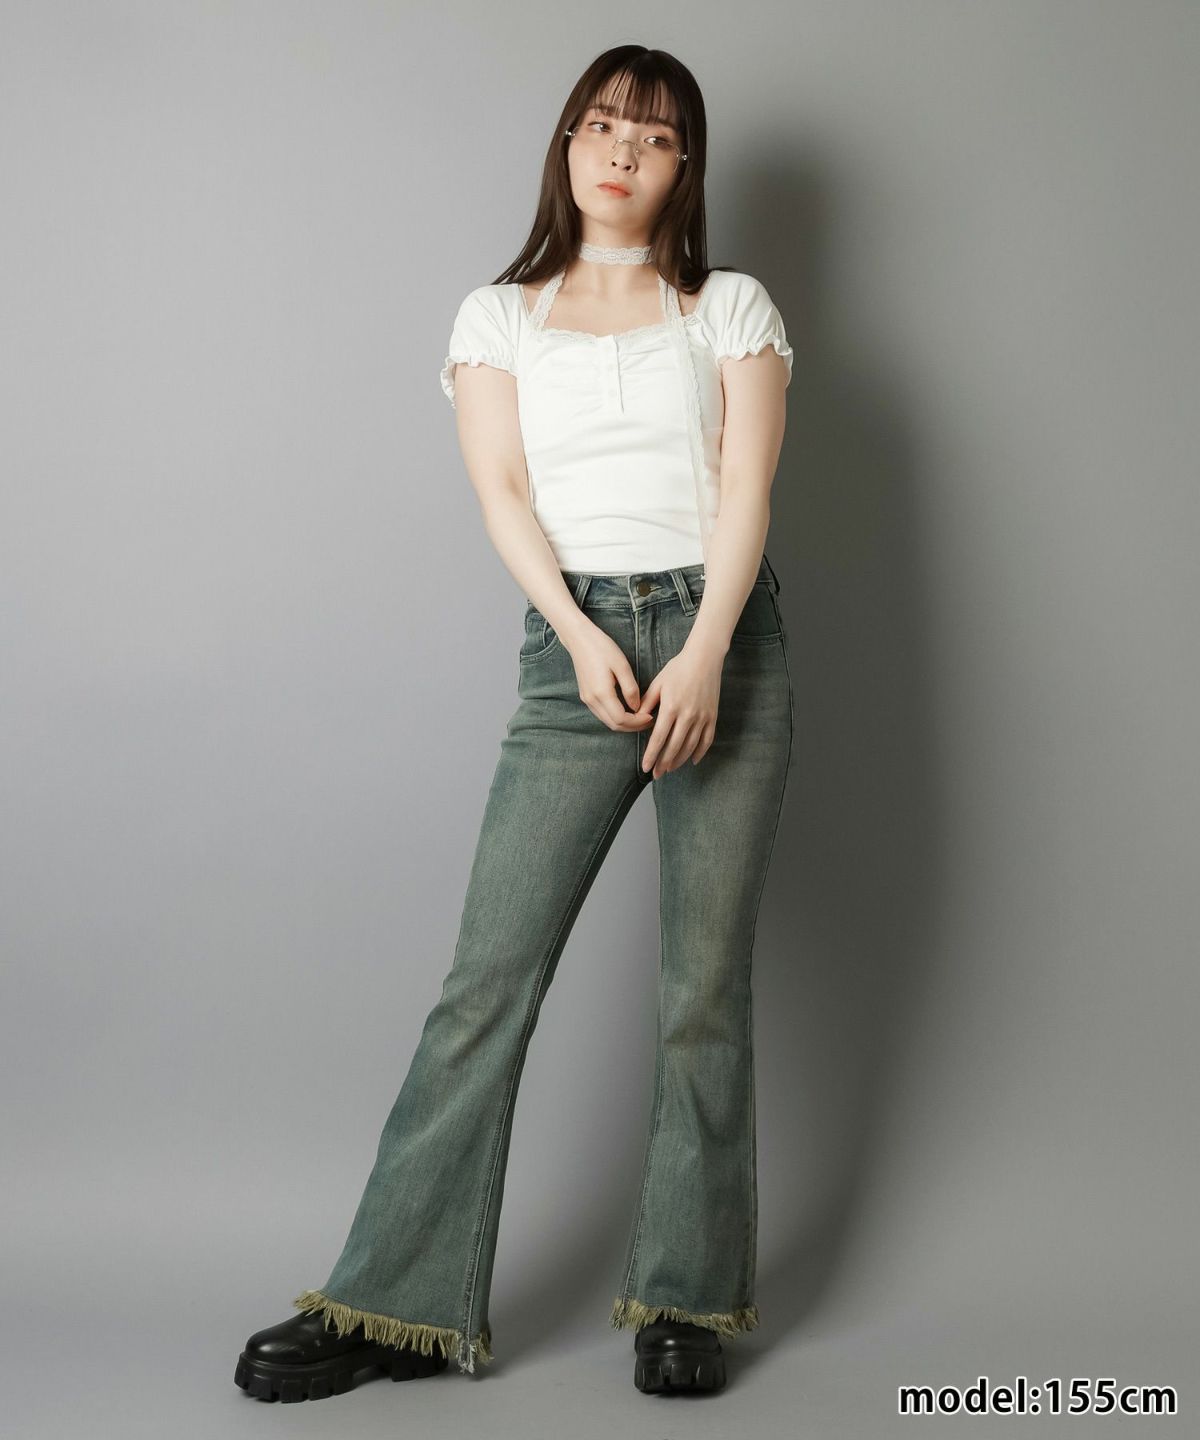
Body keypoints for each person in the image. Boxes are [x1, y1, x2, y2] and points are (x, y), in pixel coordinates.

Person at [235, 43, 794, 1403]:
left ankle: (687, 1299)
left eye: (652, 135)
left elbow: (745, 494)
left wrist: (706, 652)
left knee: (702, 990)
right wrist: (585, 636)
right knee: (486, 983)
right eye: (600, 125)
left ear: (684, 165)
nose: (621, 151)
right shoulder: (502, 316)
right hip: (574, 651)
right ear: (566, 145)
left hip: (724, 640)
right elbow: (502, 492)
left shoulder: (728, 306)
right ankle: (391, 1305)